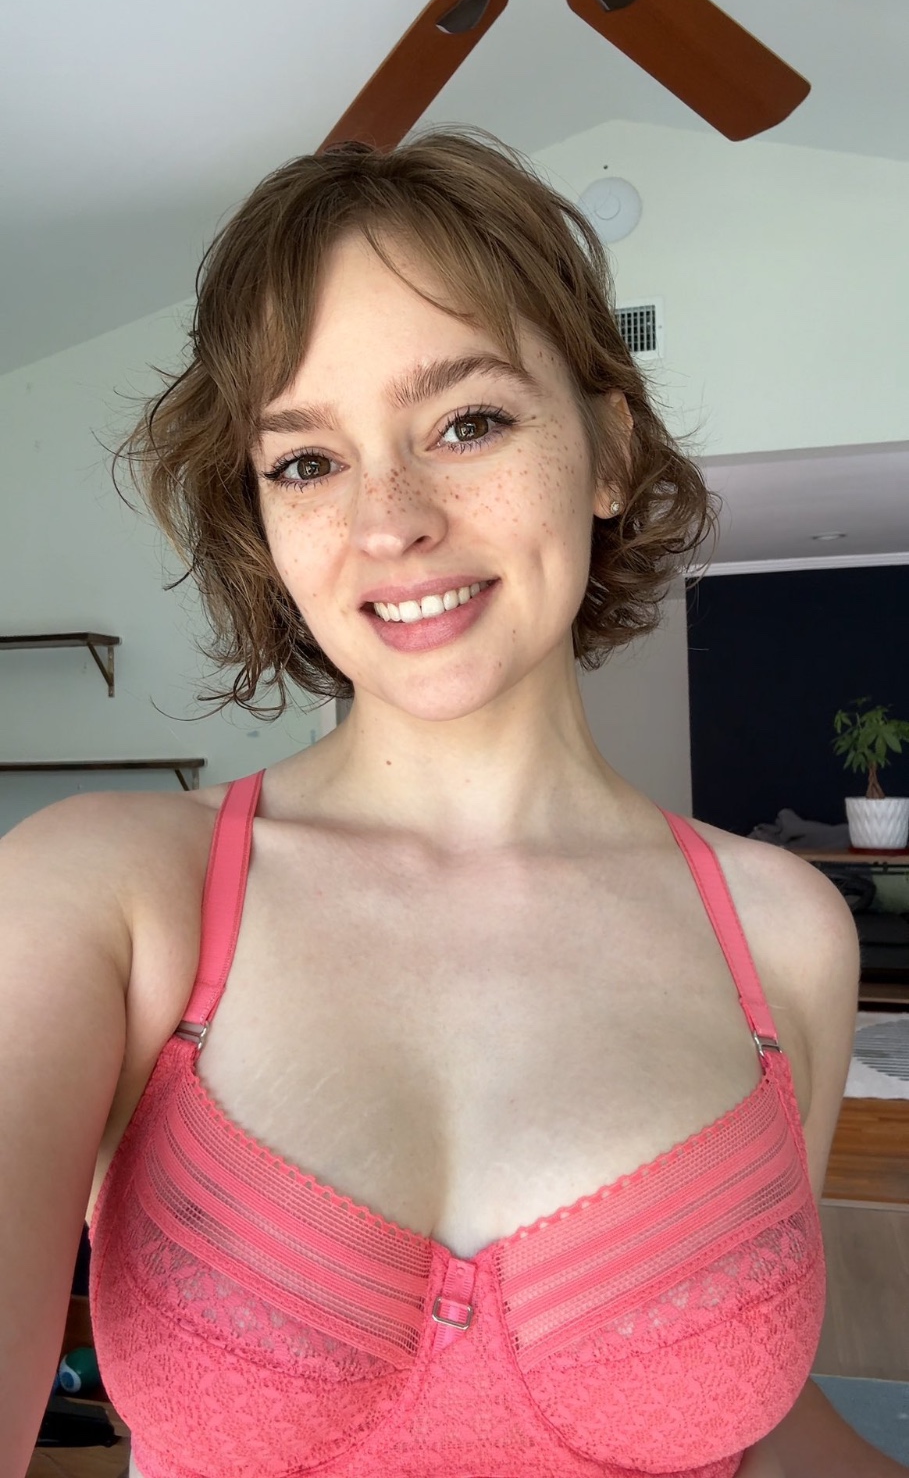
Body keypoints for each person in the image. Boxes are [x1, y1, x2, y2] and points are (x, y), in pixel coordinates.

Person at [0, 129, 897, 1478]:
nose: (390, 522)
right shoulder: (100, 899)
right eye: (306, 461)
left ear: (607, 449)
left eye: (466, 422)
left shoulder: (782, 931)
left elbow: (753, 1434)